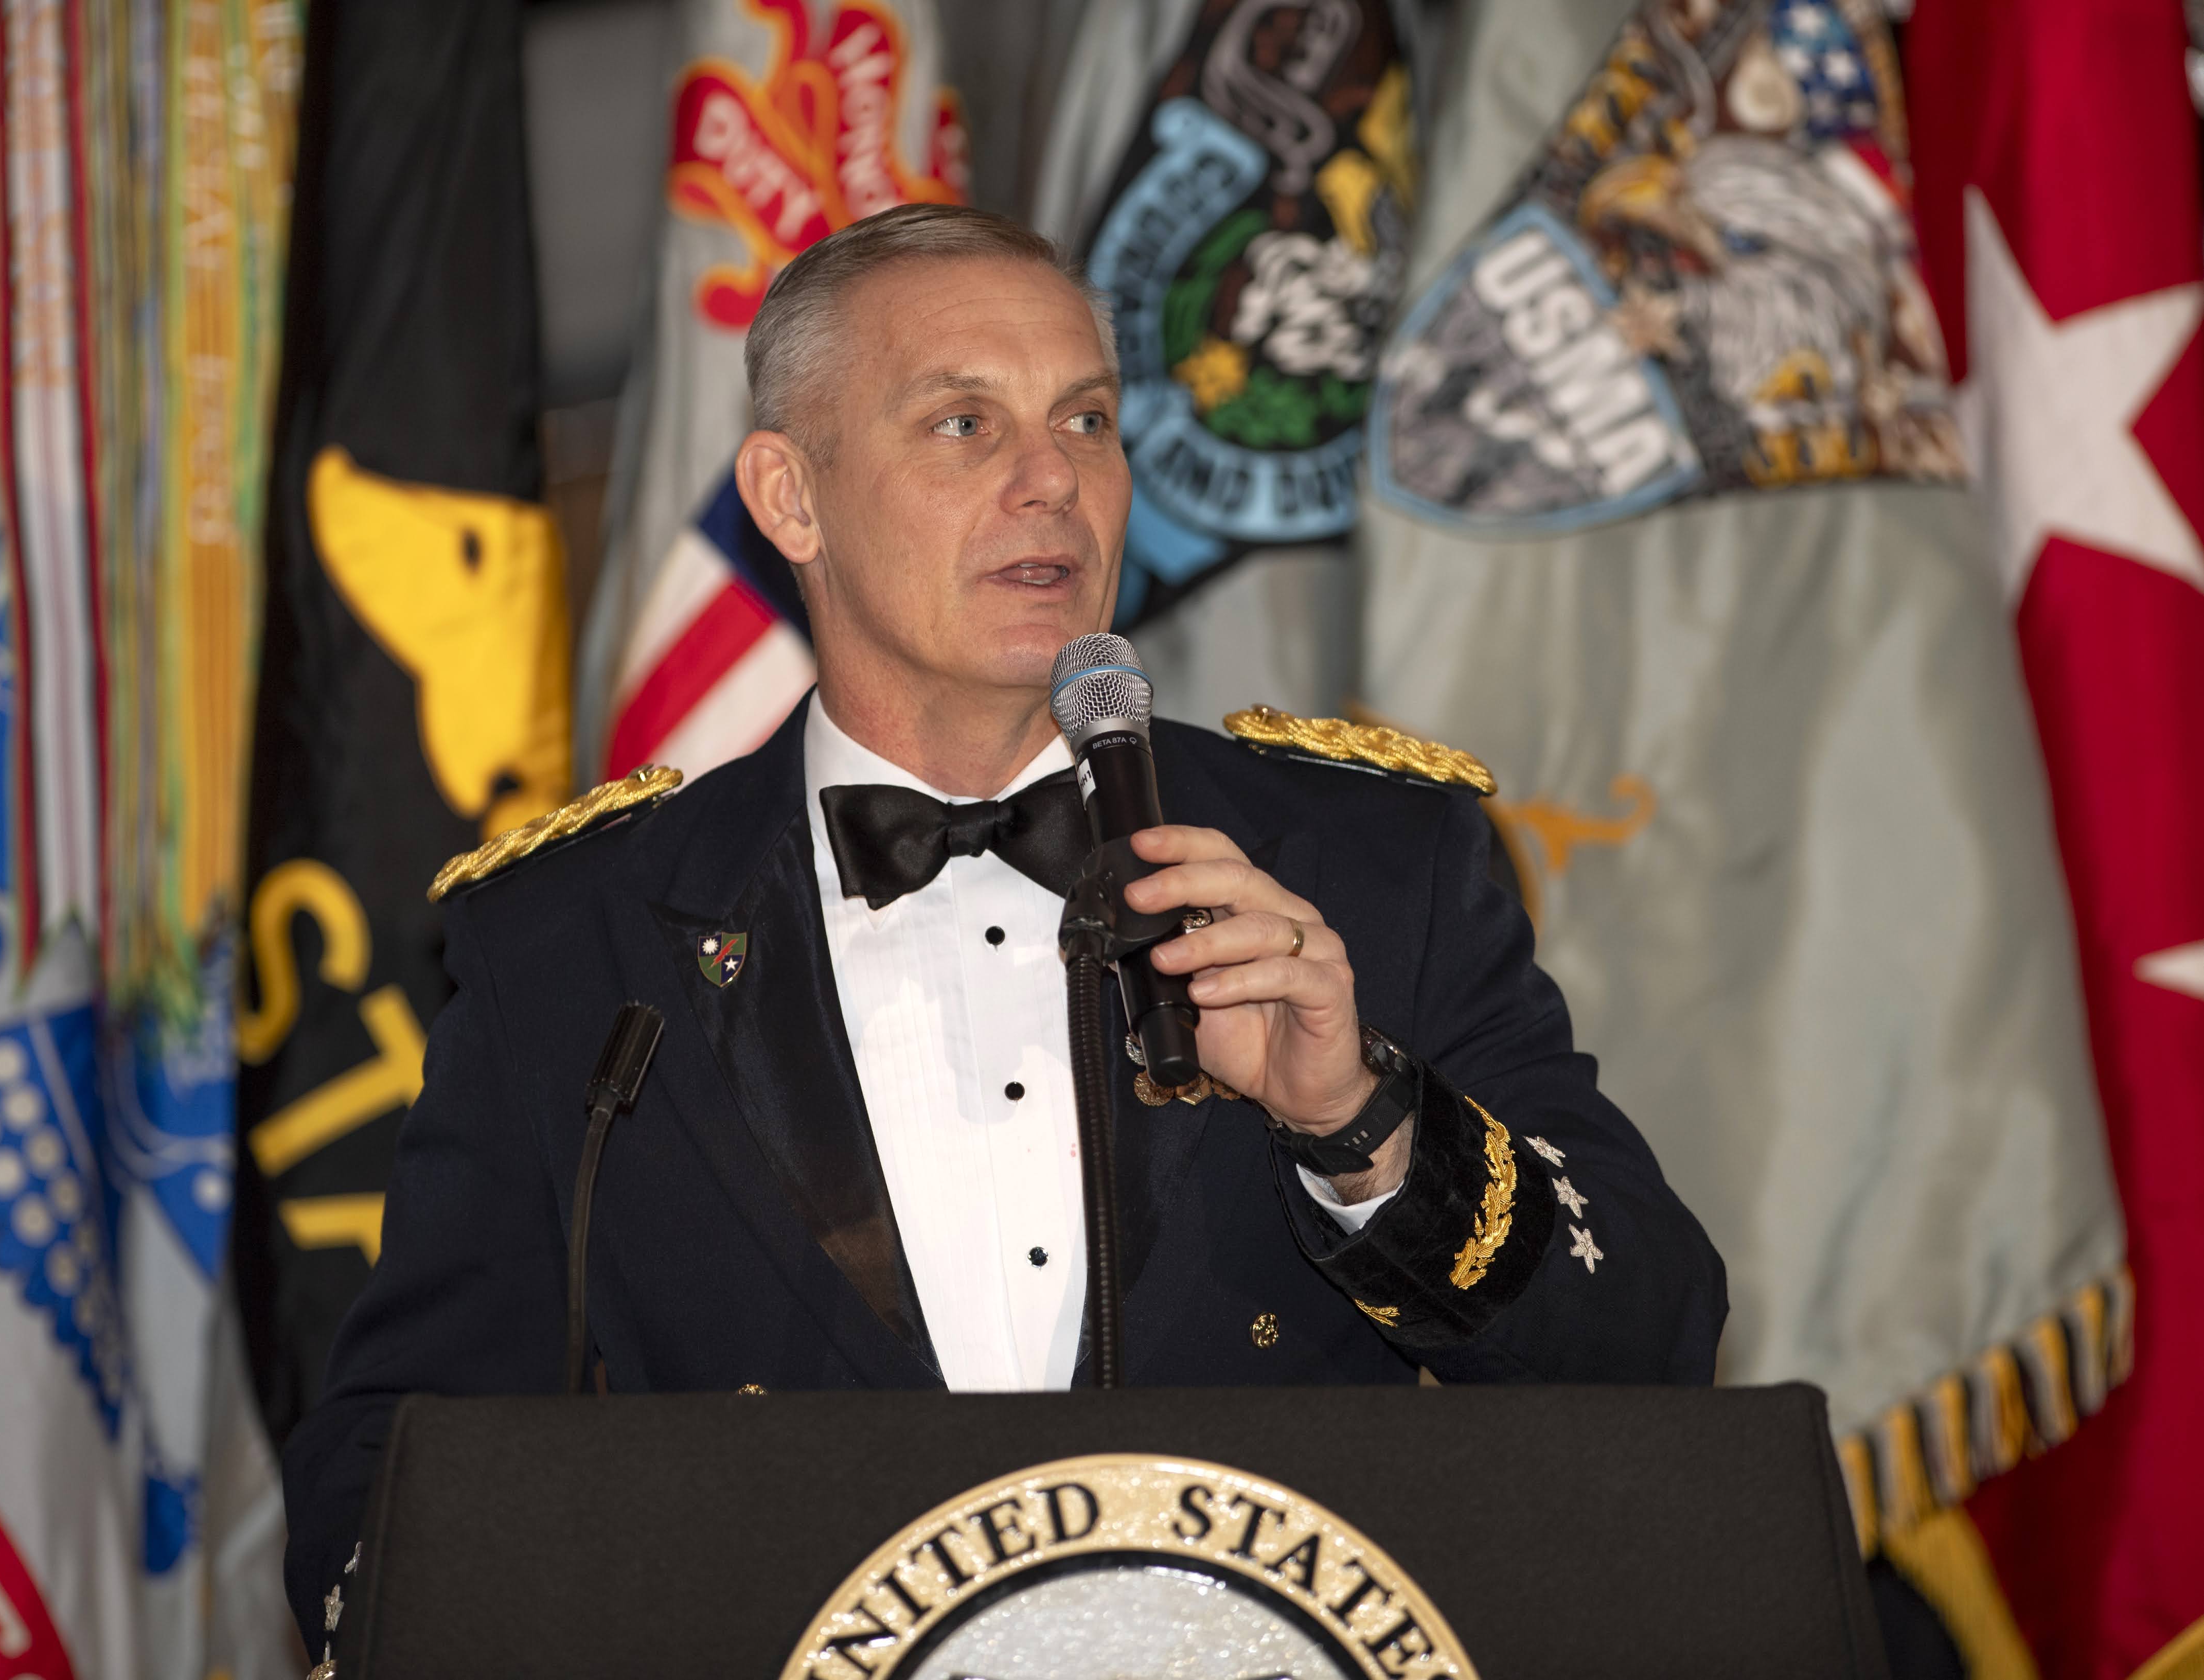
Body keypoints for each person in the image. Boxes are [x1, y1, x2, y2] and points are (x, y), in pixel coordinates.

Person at [279, 204, 1725, 1651]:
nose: (1053, 481)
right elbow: (394, 1476)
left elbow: (1648, 1343)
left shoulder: (1363, 861)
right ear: (790, 498)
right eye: (963, 425)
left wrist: (1360, 1122)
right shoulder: (572, 942)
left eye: (1085, 420)